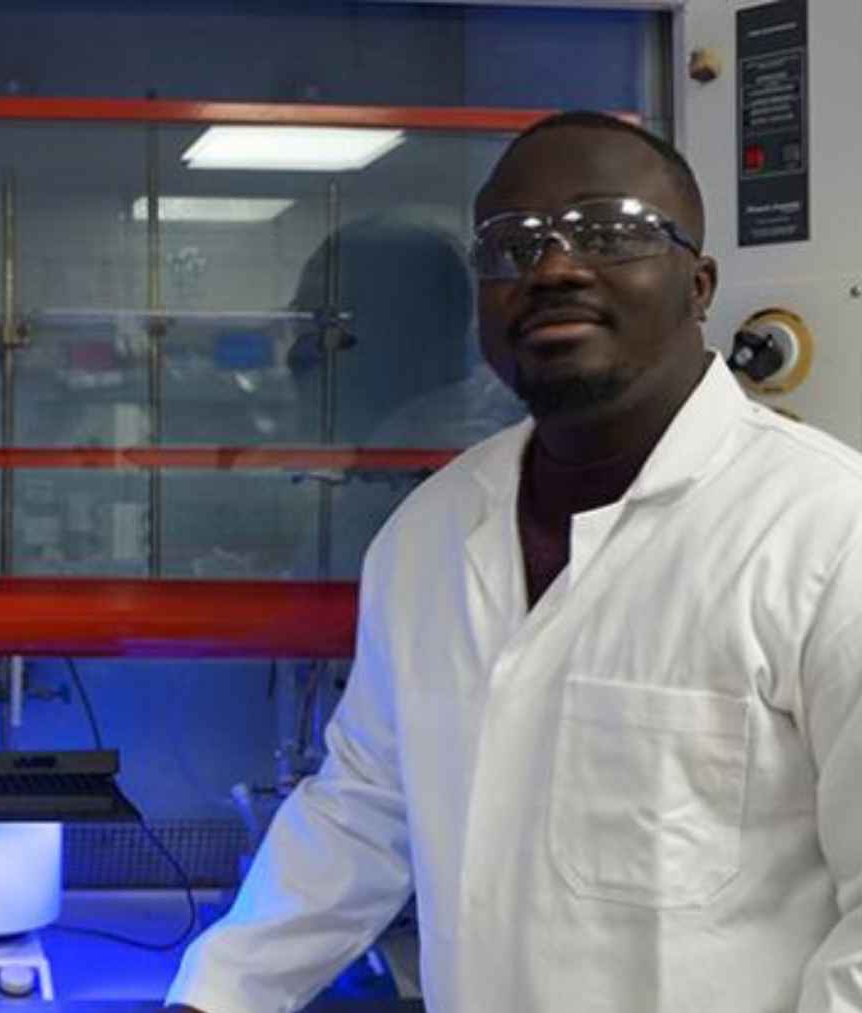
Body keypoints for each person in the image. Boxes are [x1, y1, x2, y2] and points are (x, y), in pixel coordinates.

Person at [166, 110, 862, 1011]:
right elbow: (364, 809)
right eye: (512, 246)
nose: (555, 267)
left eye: (609, 231)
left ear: (700, 284)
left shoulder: (826, 530)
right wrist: (215, 995)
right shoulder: (428, 535)